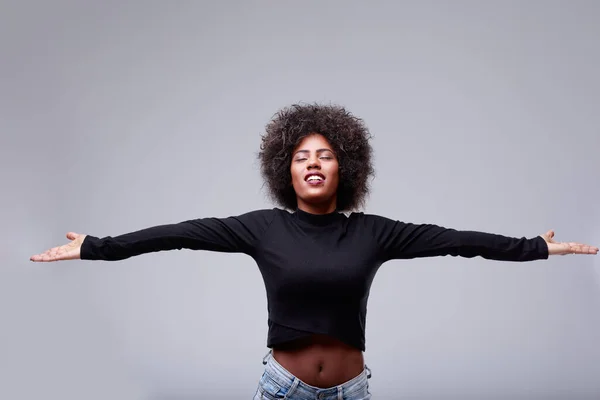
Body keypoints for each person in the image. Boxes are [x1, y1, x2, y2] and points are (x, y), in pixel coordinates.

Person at [30, 103, 597, 400]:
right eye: (302, 156)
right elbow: (179, 232)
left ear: (343, 167)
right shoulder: (261, 228)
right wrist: (97, 248)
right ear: (286, 170)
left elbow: (452, 241)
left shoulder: (374, 233)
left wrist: (533, 249)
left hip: (353, 391)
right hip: (282, 390)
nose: (313, 163)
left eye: (324, 155)